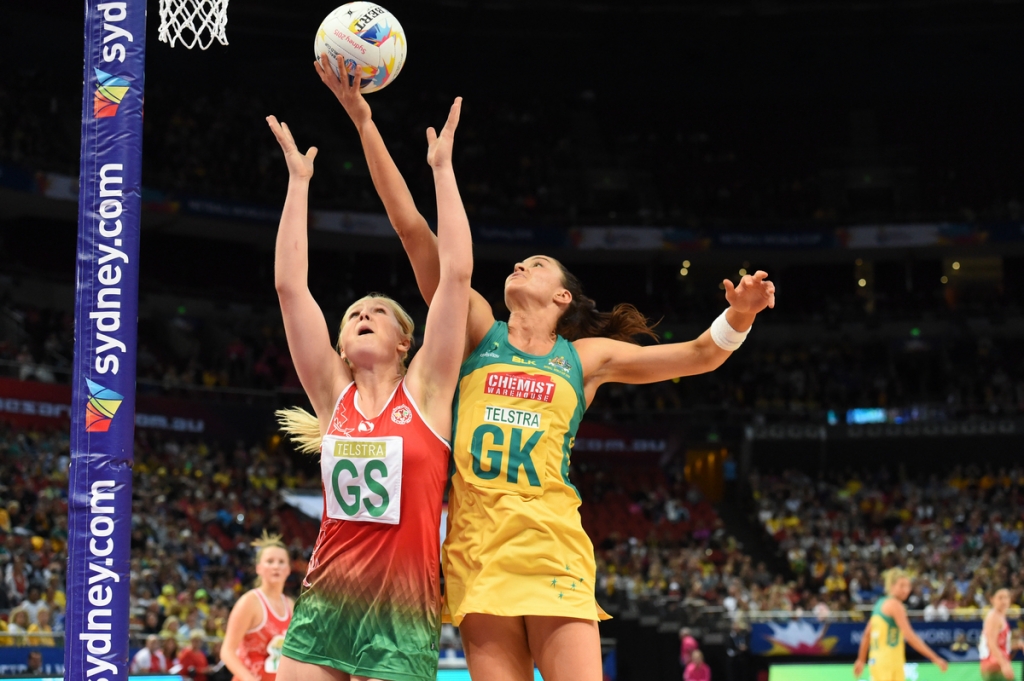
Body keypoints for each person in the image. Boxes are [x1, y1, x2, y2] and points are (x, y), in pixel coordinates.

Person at [318, 54, 776, 681]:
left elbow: (699, 355)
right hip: (477, 547)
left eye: (535, 264)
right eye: (518, 264)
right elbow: (410, 228)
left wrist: (741, 315)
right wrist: (365, 122)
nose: (519, 267)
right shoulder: (479, 332)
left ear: (563, 297)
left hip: (553, 543)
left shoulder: (584, 359)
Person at [267, 88, 472, 681]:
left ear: (405, 341)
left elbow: (456, 275)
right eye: (353, 312)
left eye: (377, 312)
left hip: (401, 616)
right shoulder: (334, 395)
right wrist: (298, 182)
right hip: (325, 604)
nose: (361, 313)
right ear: (340, 343)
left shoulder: (430, 391)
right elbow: (289, 289)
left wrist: (442, 170)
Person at [220, 533, 293, 681]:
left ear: (288, 570)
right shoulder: (249, 602)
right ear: (258, 568)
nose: (276, 566)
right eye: (270, 561)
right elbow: (227, 652)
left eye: (281, 562)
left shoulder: (290, 605)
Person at [854, 568, 948, 681]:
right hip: (890, 661)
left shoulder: (879, 604)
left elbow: (866, 634)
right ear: (891, 586)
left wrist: (860, 660)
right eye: (902, 585)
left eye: (908, 586)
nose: (906, 590)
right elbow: (910, 636)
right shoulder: (895, 605)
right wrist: (935, 658)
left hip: (876, 661)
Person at [979, 588, 1024, 681]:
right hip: (994, 667)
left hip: (996, 665)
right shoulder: (994, 617)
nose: (1004, 601)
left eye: (1006, 597)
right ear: (992, 599)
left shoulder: (999, 616)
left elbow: (1002, 645)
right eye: (1000, 598)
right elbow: (991, 644)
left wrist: (1018, 644)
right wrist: (1004, 664)